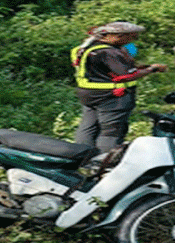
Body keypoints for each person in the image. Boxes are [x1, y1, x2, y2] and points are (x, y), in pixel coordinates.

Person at [71, 21, 168, 152]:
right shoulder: (109, 52)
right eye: (133, 36)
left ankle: (80, 155)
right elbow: (125, 76)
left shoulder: (88, 48)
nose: (134, 40)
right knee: (111, 131)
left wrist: (140, 68)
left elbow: (103, 70)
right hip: (111, 96)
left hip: (88, 93)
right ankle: (103, 161)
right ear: (119, 36)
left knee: (88, 126)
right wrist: (152, 69)